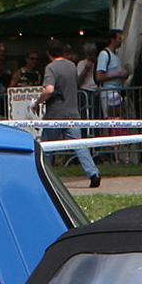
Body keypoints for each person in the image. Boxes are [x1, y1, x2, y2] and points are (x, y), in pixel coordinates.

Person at [42, 42, 99, 187]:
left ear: (49, 53)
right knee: (79, 145)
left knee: (47, 147)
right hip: (72, 113)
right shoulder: (72, 66)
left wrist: (37, 102)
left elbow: (49, 89)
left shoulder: (50, 68)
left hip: (55, 113)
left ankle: (45, 176)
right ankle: (93, 173)